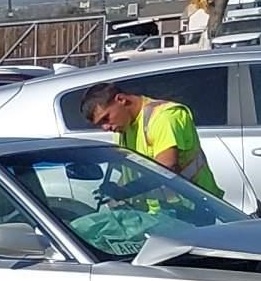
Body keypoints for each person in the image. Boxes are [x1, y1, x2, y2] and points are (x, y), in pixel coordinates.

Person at [81, 83, 223, 197]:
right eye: (100, 124)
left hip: (197, 206)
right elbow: (134, 172)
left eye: (106, 118)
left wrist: (126, 191)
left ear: (121, 99)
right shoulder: (123, 128)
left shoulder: (164, 117)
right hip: (163, 213)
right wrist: (115, 191)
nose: (106, 127)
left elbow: (166, 168)